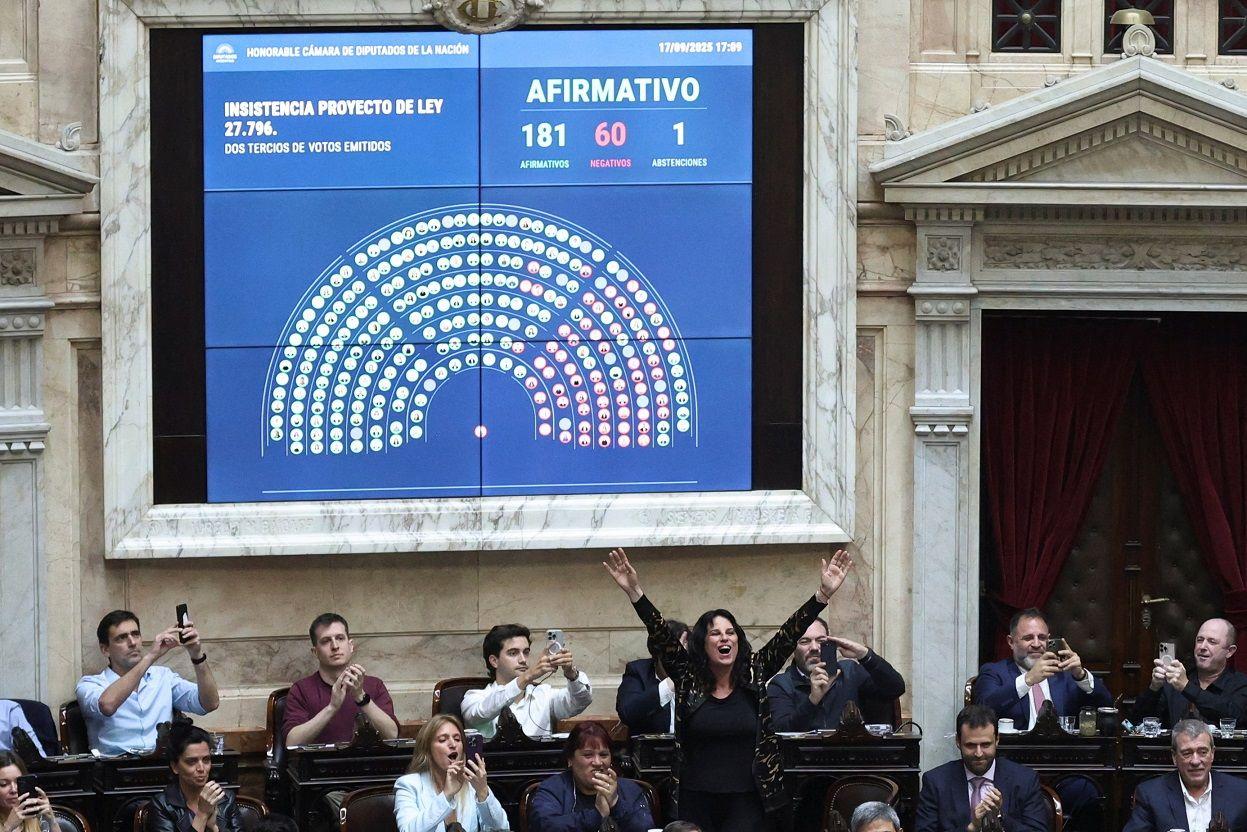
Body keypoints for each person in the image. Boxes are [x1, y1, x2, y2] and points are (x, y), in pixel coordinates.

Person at [604, 546, 853, 832]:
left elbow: (788, 634)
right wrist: (635, 592)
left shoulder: (755, 672)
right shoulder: (688, 677)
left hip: (748, 800)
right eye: (715, 633)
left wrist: (822, 596)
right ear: (703, 643)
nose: (725, 638)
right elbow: (660, 632)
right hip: (695, 799)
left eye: (730, 632)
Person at [77, 610, 219, 755]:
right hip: (115, 765)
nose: (132, 643)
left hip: (162, 764)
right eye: (122, 638)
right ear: (105, 649)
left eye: (135, 634)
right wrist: (151, 656)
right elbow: (107, 705)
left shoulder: (163, 677)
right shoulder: (90, 684)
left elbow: (209, 703)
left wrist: (196, 655)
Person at [914, 704, 1048, 832]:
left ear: (997, 740)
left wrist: (1000, 817)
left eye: (985, 745)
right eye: (970, 745)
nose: (978, 753)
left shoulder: (1025, 779)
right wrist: (972, 828)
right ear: (958, 742)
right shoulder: (936, 782)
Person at [974, 609, 1112, 730]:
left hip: (1064, 749)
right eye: (1028, 638)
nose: (1036, 644)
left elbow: (1106, 706)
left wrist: (1081, 675)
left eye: (1042, 637)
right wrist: (1028, 679)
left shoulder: (1064, 674)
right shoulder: (994, 672)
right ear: (1011, 642)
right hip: (1017, 750)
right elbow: (982, 711)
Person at [767, 617, 905, 731]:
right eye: (804, 641)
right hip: (805, 755)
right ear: (792, 647)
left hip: (851, 752)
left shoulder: (850, 672)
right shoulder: (781, 685)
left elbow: (895, 688)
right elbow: (782, 732)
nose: (814, 647)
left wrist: (864, 654)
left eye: (821, 641)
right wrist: (812, 700)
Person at [283, 613, 399, 746]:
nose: (335, 646)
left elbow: (392, 735)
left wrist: (361, 697)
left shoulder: (375, 685)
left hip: (368, 758)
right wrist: (332, 707)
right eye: (326, 641)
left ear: (351, 645)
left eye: (340, 638)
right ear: (315, 652)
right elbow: (291, 743)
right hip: (321, 759)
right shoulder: (301, 689)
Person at [462, 624, 592, 740]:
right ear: (494, 661)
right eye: (513, 653)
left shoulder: (544, 694)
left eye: (526, 652)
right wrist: (528, 676)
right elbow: (481, 713)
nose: (523, 660)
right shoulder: (474, 697)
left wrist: (571, 674)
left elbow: (581, 701)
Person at [1123, 718, 1247, 831]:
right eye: (1187, 753)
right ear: (1174, 757)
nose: (1195, 761)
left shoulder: (1241, 792)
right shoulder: (1151, 794)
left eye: (1203, 752)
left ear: (1212, 754)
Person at [529, 721, 654, 832]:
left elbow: (646, 828)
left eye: (604, 755)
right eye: (588, 755)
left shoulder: (630, 789)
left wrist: (616, 803)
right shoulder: (551, 790)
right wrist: (596, 815)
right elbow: (546, 827)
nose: (598, 762)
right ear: (570, 759)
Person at [393, 714, 509, 832]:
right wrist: (446, 795)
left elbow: (502, 829)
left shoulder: (472, 783)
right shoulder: (408, 785)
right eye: (443, 740)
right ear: (427, 750)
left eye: (457, 739)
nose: (453, 745)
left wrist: (483, 791)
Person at [1132, 618, 1247, 728]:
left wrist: (1186, 687)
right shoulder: (1174, 681)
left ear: (1230, 651)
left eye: (1212, 642)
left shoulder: (1241, 684)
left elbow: (1235, 716)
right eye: (1200, 640)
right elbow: (1136, 722)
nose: (1202, 647)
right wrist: (1154, 689)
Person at [147, 724, 242, 832]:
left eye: (206, 760)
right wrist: (202, 814)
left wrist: (214, 829)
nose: (201, 768)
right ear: (175, 767)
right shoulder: (162, 805)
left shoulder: (226, 799)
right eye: (192, 761)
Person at [615, 620, 689, 735]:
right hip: (652, 746)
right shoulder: (638, 671)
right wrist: (672, 682)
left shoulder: (698, 675)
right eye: (673, 654)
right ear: (657, 653)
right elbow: (627, 713)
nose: (680, 660)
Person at [0, 750, 56, 832]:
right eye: (3, 784)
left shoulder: (37, 816)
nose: (14, 790)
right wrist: (8, 827)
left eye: (18, 782)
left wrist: (52, 820)